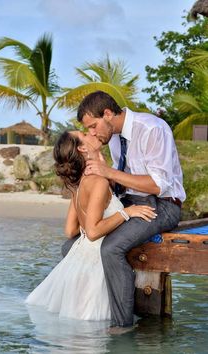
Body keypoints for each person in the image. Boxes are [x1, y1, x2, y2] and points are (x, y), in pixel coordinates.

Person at [62, 91, 186, 328]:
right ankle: (90, 309)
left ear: (108, 114)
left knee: (110, 249)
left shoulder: (152, 129)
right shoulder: (115, 138)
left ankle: (122, 325)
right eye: (87, 130)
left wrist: (107, 172)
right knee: (72, 246)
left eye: (93, 126)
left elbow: (158, 185)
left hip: (164, 205)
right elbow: (120, 183)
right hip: (130, 201)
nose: (92, 133)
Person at [25, 131, 156, 322]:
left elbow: (70, 230)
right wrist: (126, 213)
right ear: (82, 148)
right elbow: (93, 232)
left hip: (77, 264)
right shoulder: (98, 182)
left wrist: (91, 220)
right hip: (96, 269)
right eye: (85, 133)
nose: (93, 133)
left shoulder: (79, 183)